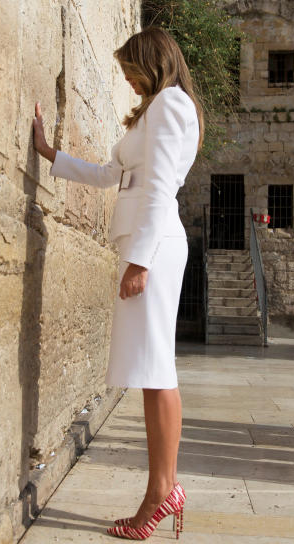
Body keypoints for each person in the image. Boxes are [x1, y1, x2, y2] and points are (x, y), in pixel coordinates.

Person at [32, 26, 200, 539]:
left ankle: (162, 490)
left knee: (158, 369)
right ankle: (163, 487)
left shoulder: (172, 105)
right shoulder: (154, 109)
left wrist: (141, 261)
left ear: (153, 61)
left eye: (130, 68)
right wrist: (48, 153)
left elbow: (159, 191)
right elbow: (111, 175)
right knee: (151, 370)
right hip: (142, 246)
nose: (126, 79)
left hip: (155, 246)